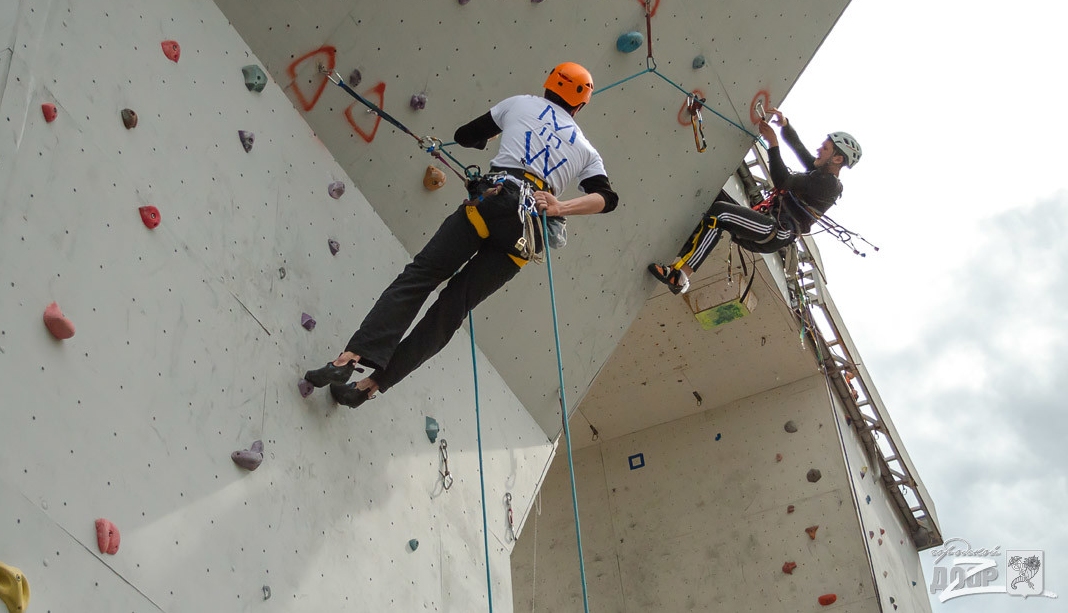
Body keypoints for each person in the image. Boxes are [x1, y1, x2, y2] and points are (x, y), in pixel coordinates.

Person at [303, 62, 619, 407]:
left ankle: (351, 358)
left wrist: (497, 135)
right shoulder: (587, 150)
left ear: (547, 86)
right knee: (451, 311)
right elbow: (607, 199)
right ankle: (370, 387)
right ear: (581, 105)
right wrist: (560, 208)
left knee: (421, 276)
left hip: (495, 202)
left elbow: (467, 134)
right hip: (527, 233)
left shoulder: (521, 104)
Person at [648, 108, 861, 293]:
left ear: (838, 158)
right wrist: (785, 125)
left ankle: (681, 277)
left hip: (776, 230)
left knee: (721, 212)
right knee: (715, 199)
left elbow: (783, 180)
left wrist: (773, 143)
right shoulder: (821, 174)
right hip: (766, 222)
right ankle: (682, 253)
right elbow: (800, 149)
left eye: (825, 149)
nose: (818, 150)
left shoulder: (829, 185)